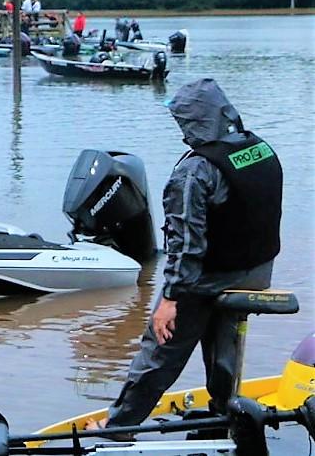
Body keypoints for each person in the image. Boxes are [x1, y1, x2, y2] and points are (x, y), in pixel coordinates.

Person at [90, 79, 282, 432]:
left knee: (161, 346)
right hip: (257, 271)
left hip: (213, 275)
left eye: (182, 122)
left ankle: (118, 426)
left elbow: (186, 245)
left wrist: (170, 299)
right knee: (224, 340)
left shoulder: (194, 171)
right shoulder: (260, 148)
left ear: (195, 122)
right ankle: (225, 411)